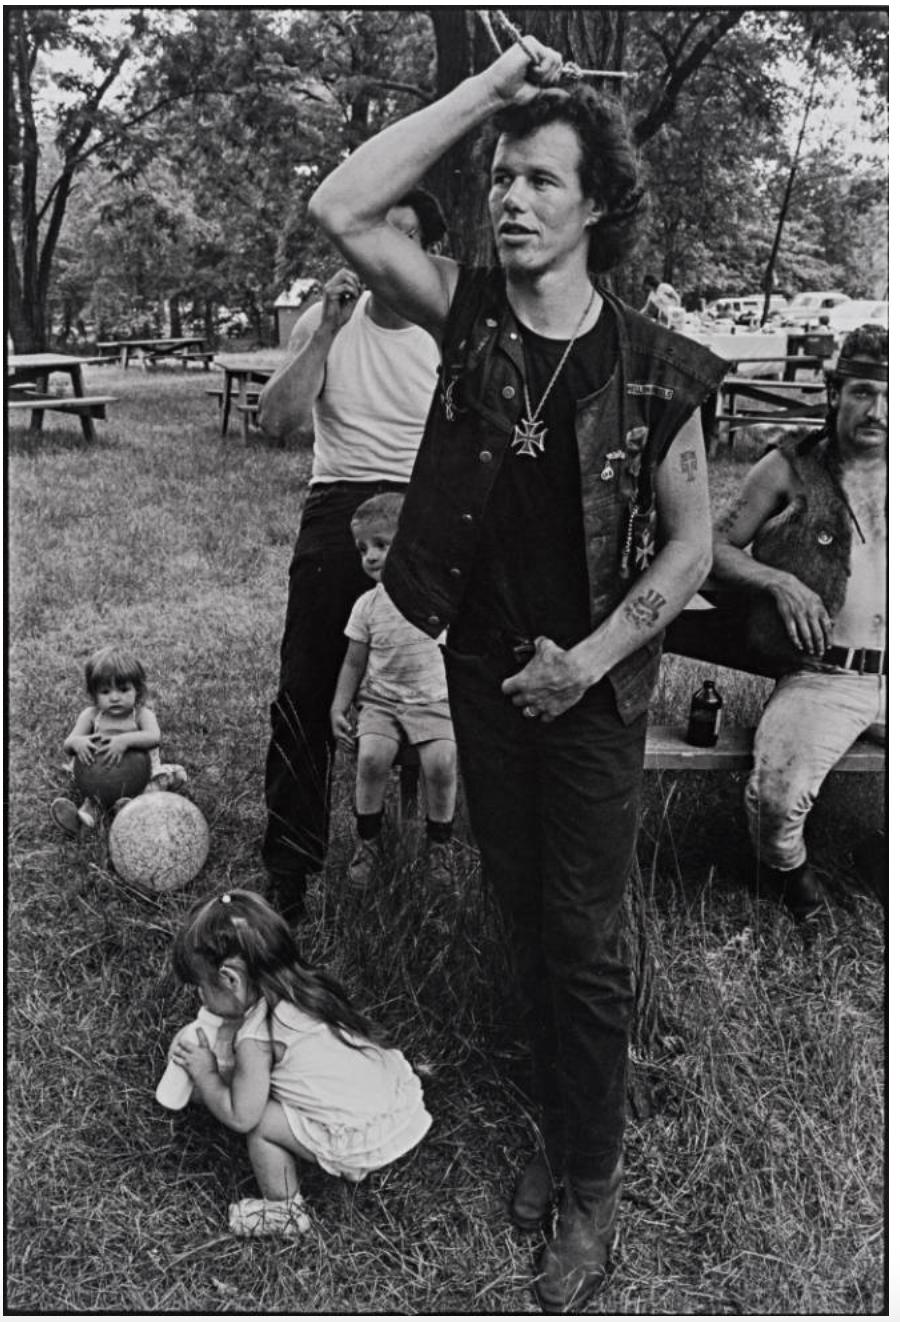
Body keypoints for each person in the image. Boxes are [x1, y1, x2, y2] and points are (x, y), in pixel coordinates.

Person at [308, 35, 727, 1312]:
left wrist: (590, 659)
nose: (511, 197)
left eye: (541, 178)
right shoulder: (468, 312)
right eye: (502, 177)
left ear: (596, 203)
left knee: (586, 934)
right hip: (484, 670)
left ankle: (590, 1180)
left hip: (590, 688)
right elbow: (340, 206)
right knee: (525, 910)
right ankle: (563, 1124)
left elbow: (695, 539)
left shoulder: (659, 366)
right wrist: (491, 93)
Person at [257, 189, 448, 923]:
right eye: (373, 234)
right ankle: (292, 863)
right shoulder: (327, 320)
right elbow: (275, 421)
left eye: (403, 237)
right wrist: (325, 335)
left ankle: (441, 837)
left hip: (424, 502)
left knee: (444, 672)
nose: (384, 252)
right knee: (306, 683)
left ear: (428, 252)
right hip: (339, 500)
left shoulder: (444, 333)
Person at [710, 324, 886, 920]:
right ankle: (785, 873)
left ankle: (879, 853)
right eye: (863, 391)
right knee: (777, 797)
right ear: (835, 392)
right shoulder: (789, 467)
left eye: (891, 395)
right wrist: (779, 581)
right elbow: (707, 546)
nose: (878, 409)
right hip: (824, 674)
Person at [168, 889, 433, 1238]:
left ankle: (284, 1211)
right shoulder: (305, 987)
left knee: (262, 1120)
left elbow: (240, 1114)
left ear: (231, 979)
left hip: (356, 1140)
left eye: (201, 987)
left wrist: (205, 1074)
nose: (200, 996)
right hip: (398, 1105)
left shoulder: (255, 1038)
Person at [330, 493, 457, 888]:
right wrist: (339, 705)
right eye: (363, 548)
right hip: (381, 703)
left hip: (433, 702)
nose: (370, 556)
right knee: (371, 759)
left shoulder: (439, 598)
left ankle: (439, 848)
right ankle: (368, 843)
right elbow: (354, 661)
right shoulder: (367, 606)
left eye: (381, 545)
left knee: (441, 762)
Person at [50, 645, 187, 835]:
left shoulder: (141, 715)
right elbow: (68, 744)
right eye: (105, 692)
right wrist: (78, 743)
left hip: (140, 778)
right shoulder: (90, 715)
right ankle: (81, 822)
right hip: (98, 780)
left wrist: (125, 741)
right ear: (94, 694)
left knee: (148, 791)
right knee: (93, 800)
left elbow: (154, 737)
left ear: (137, 691)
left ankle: (128, 810)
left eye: (123, 690)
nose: (115, 698)